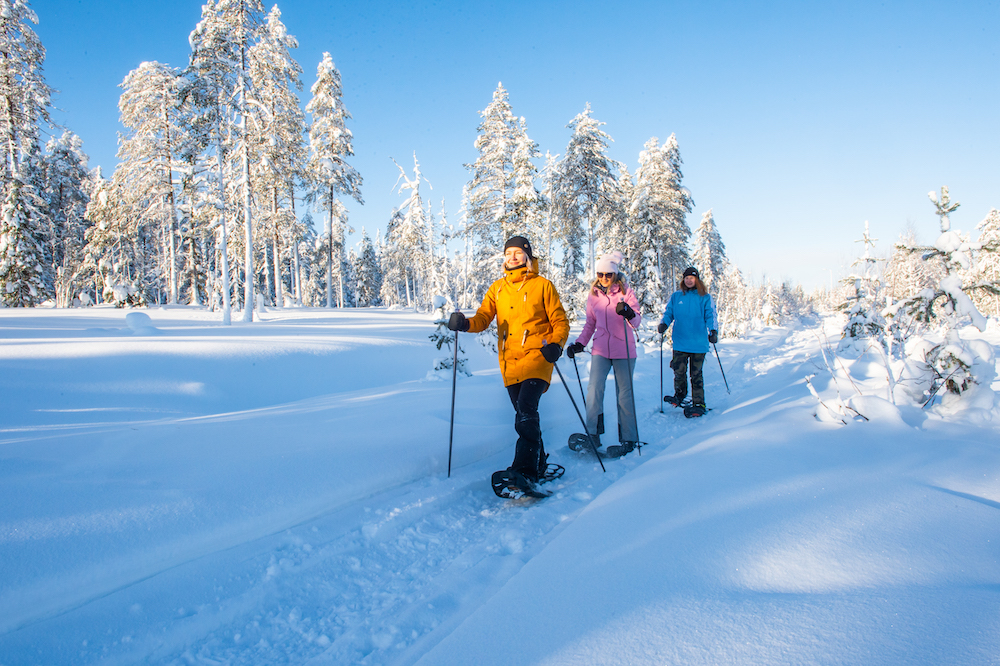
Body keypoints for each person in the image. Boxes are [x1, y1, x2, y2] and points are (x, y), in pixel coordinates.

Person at [447, 235, 569, 486]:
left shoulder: (543, 286)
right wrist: (465, 323)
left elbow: (560, 321)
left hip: (538, 357)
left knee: (526, 408)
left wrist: (556, 345)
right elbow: (483, 319)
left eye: (517, 252)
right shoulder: (498, 288)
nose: (512, 257)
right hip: (509, 362)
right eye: (508, 253)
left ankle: (524, 471)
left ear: (527, 256)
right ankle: (539, 462)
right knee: (525, 414)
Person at [566, 251, 642, 456]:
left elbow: (636, 322)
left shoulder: (626, 292)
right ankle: (593, 435)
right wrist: (580, 344)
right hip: (600, 349)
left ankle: (629, 439)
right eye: (600, 274)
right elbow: (590, 323)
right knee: (594, 390)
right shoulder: (594, 296)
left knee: (624, 395)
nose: (604, 278)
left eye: (608, 274)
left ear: (615, 274)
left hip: (624, 349)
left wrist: (629, 312)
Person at [658, 266, 718, 417]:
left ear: (697, 279)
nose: (689, 280)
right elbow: (669, 312)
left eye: (692, 278)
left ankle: (698, 402)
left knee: (696, 374)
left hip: (698, 343)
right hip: (680, 341)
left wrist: (713, 331)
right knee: (679, 371)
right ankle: (679, 395)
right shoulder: (677, 296)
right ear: (683, 280)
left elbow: (711, 315)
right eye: (686, 278)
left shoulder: (705, 297)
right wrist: (664, 323)